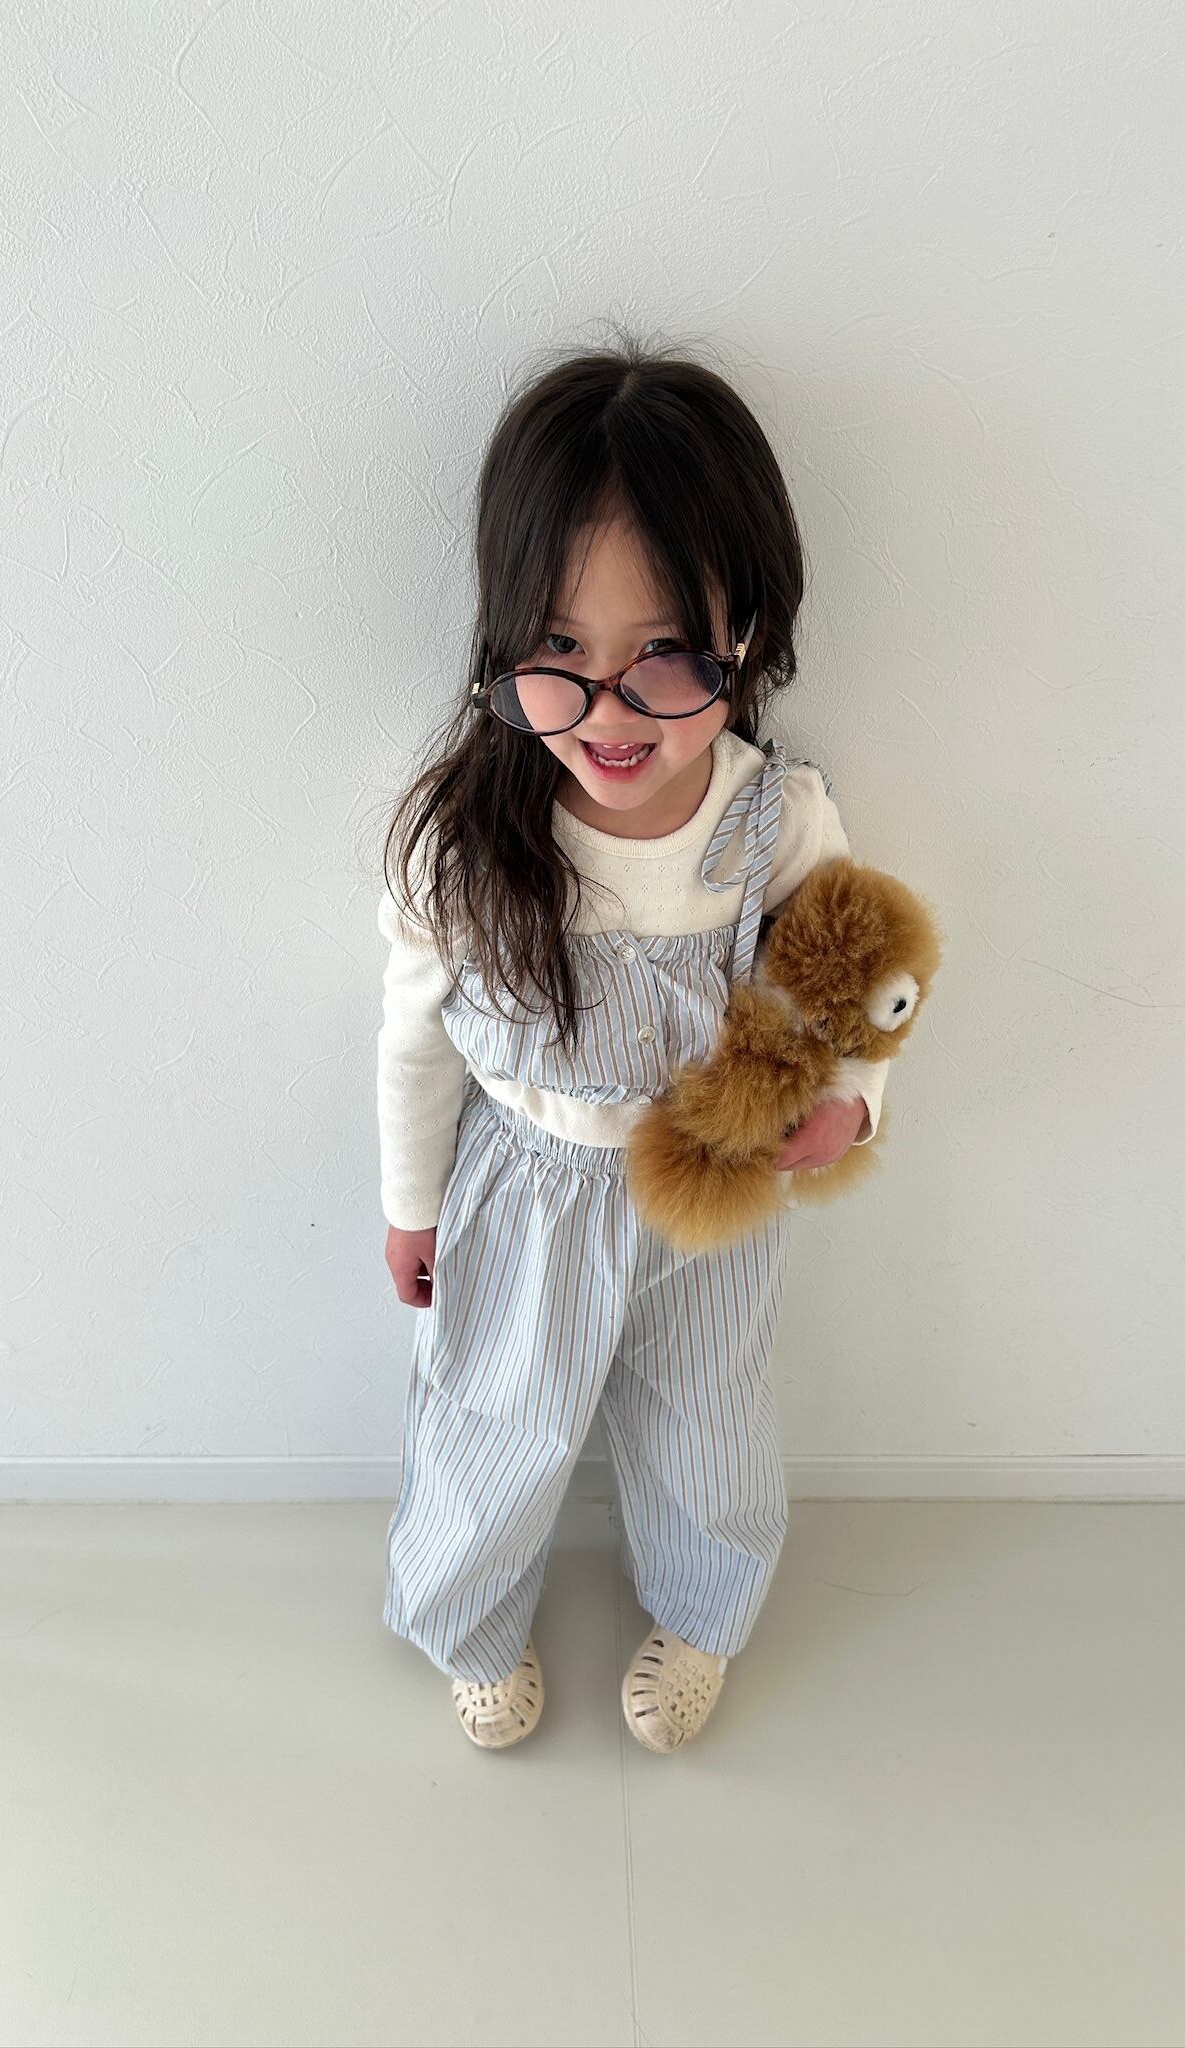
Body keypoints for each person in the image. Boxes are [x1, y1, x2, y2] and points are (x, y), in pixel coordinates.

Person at [373, 333, 889, 1753]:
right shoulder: (467, 844)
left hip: (711, 1189)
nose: (608, 712)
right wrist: (410, 1205)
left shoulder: (773, 820)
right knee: (496, 1421)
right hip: (522, 1187)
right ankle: (473, 1625)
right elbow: (414, 1041)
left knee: (706, 1422)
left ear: (746, 637)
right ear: (504, 642)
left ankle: (706, 1612)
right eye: (561, 655)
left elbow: (858, 978)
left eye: (661, 654)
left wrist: (854, 1098)